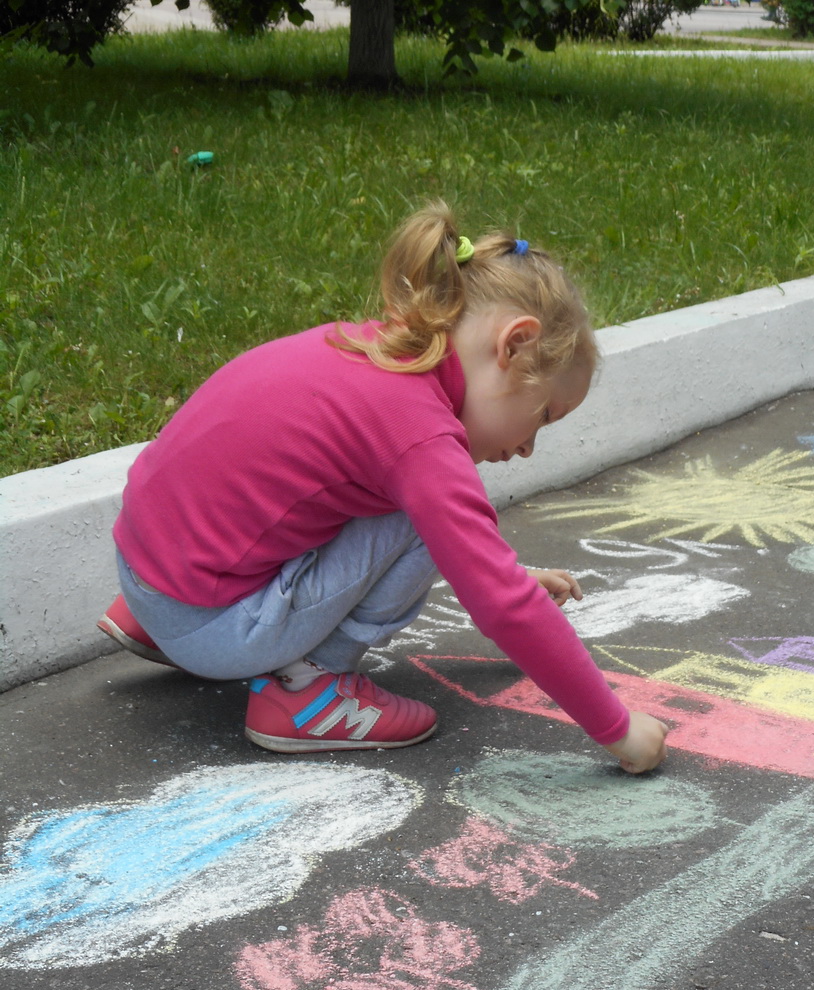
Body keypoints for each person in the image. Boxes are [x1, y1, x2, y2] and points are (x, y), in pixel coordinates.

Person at [98, 203, 668, 774]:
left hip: (150, 575)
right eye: (544, 414)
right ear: (513, 346)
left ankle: (166, 623)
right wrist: (618, 730)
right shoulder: (419, 436)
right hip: (208, 623)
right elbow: (501, 605)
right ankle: (307, 691)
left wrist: (508, 575)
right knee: (416, 515)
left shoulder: (370, 349)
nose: (526, 448)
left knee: (374, 494)